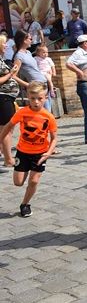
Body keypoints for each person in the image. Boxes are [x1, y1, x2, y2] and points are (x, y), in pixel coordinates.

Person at [0, 81, 57, 218]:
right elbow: (8, 127)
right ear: (28, 97)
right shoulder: (22, 112)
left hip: (40, 153)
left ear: (45, 98)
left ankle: (25, 204)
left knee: (34, 181)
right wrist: (2, 142)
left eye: (40, 98)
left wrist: (48, 152)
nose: (36, 102)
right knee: (18, 182)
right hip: (23, 152)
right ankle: (24, 171)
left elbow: (54, 138)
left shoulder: (49, 117)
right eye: (33, 99)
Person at [65, 35, 87, 146]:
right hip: (85, 85)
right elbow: (68, 63)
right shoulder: (78, 52)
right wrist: (79, 72)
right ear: (84, 43)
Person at [13, 30, 52, 112]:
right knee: (44, 113)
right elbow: (13, 75)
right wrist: (27, 84)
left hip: (44, 84)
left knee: (47, 112)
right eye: (30, 39)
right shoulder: (19, 56)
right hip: (36, 87)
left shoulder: (28, 53)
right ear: (24, 40)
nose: (32, 40)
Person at [0, 35, 20, 167]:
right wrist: (10, 73)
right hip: (3, 97)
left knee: (6, 129)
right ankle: (8, 159)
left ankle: (4, 154)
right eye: (4, 43)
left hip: (8, 97)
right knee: (6, 129)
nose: (6, 46)